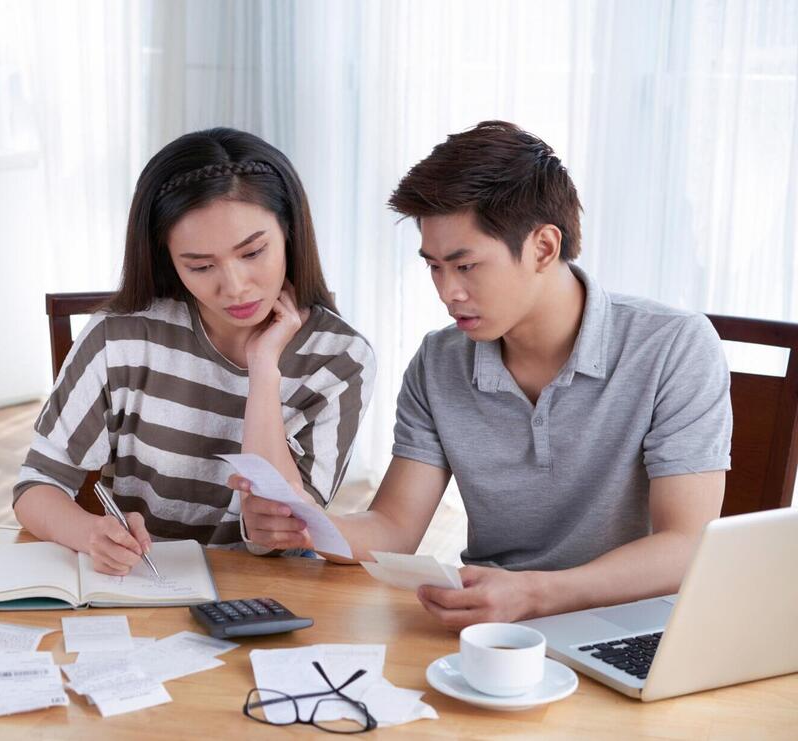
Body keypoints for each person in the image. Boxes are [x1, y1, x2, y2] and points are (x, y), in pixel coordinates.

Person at [234, 121, 732, 628]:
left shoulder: (674, 345)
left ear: (543, 247)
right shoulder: (439, 362)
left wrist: (537, 594)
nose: (447, 291)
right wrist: (310, 526)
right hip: (492, 627)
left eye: (466, 266)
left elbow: (686, 545)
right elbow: (393, 528)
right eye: (433, 267)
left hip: (629, 624)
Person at [14, 127, 376, 576]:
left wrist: (265, 372)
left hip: (264, 593)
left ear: (290, 231)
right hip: (143, 581)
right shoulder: (121, 335)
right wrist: (90, 533)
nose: (235, 286)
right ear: (167, 259)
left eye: (254, 252)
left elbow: (277, 537)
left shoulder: (339, 357)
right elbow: (36, 485)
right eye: (201, 266)